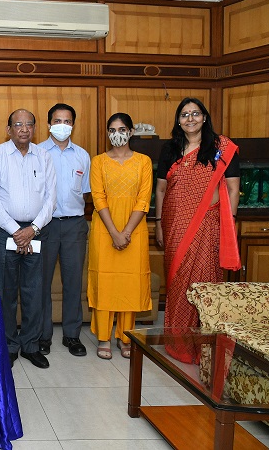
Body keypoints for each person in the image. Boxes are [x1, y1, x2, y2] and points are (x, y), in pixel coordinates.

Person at [154, 98, 240, 363]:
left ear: (204, 117)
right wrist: (158, 223)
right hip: (174, 224)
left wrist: (229, 224)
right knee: (177, 281)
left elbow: (233, 188)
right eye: (184, 114)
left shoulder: (221, 148)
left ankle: (205, 346)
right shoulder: (170, 149)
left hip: (209, 226)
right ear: (178, 120)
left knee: (204, 283)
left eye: (195, 113)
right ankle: (178, 344)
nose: (190, 118)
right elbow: (160, 190)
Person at [0, 109, 55, 369]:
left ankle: (31, 346)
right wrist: (17, 231)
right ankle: (8, 345)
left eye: (29, 124)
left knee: (34, 291)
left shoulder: (44, 156)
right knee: (6, 291)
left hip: (37, 230)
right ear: (9, 129)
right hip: (5, 231)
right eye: (18, 124)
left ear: (35, 128)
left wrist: (32, 229)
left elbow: (51, 199)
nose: (24, 129)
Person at [88, 113, 152, 360]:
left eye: (122, 129)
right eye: (112, 130)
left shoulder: (144, 161)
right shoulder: (99, 162)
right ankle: (103, 337)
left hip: (134, 230)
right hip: (105, 230)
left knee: (129, 284)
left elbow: (144, 199)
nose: (117, 134)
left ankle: (126, 337)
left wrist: (125, 233)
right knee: (105, 283)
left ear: (131, 132)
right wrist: (115, 233)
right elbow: (98, 197)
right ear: (107, 133)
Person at [37, 103, 90, 358]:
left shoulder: (82, 155)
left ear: (73, 125)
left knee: (73, 281)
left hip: (74, 225)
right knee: (41, 282)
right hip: (44, 225)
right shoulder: (37, 153)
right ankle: (43, 336)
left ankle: (72, 335)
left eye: (67, 121)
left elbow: (86, 192)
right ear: (49, 124)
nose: (62, 125)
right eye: (57, 121)